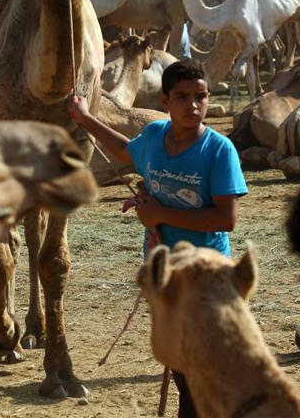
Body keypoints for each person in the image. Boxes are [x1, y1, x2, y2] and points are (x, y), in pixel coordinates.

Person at [70, 58, 247, 417]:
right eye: (182, 97)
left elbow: (226, 219)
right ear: (165, 101)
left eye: (200, 97)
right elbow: (125, 151)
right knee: (183, 367)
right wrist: (85, 119)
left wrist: (161, 213)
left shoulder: (218, 150)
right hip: (163, 273)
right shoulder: (152, 137)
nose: (193, 106)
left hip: (206, 275)